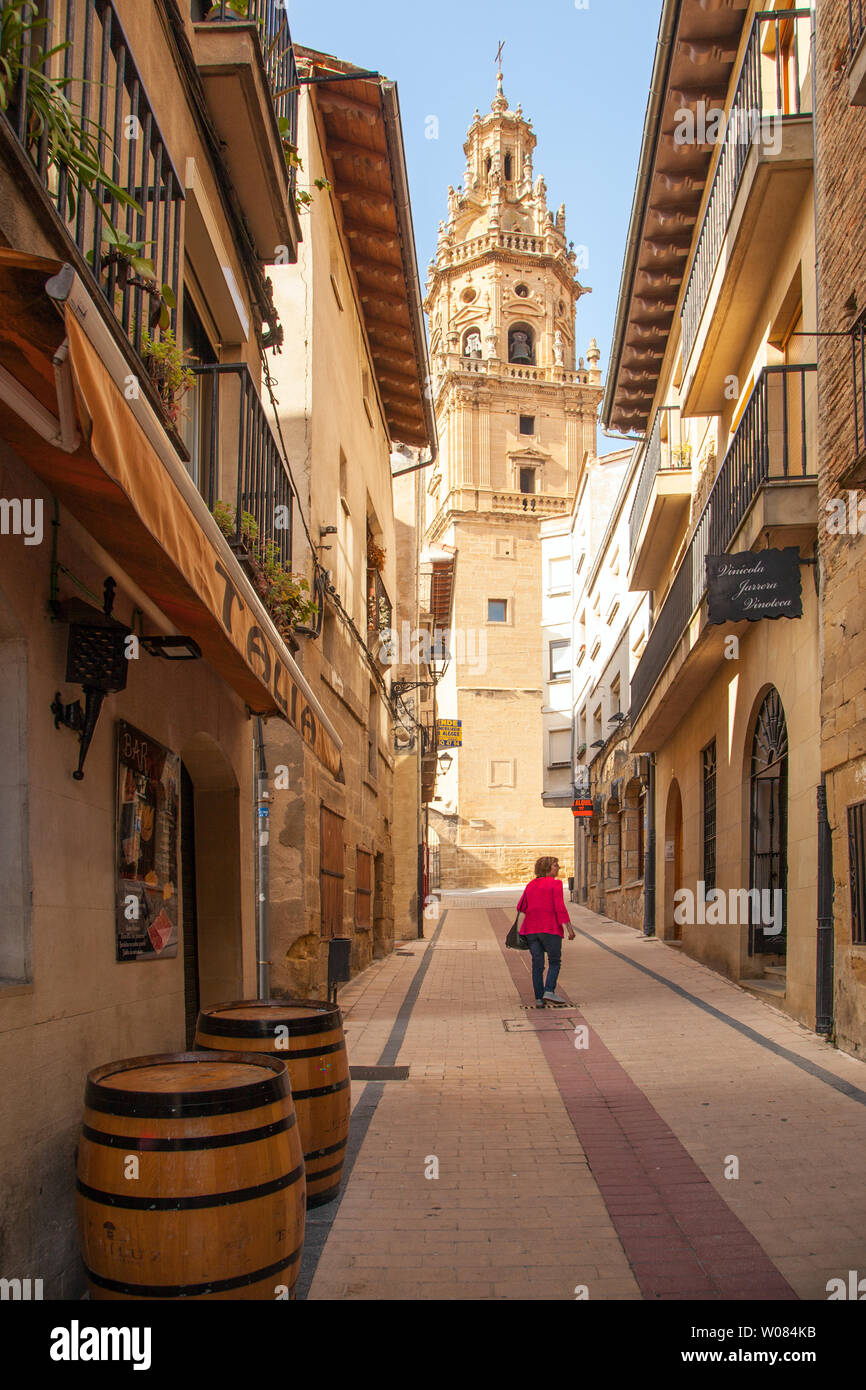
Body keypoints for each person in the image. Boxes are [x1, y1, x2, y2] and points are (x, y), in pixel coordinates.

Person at [516, 855, 575, 1007]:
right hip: (550, 929)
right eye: (556, 865)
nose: (558, 868)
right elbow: (560, 908)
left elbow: (521, 907)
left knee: (537, 964)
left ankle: (539, 999)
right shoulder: (555, 884)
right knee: (554, 961)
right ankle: (549, 990)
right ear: (547, 868)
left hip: (531, 930)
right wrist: (569, 929)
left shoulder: (530, 885)